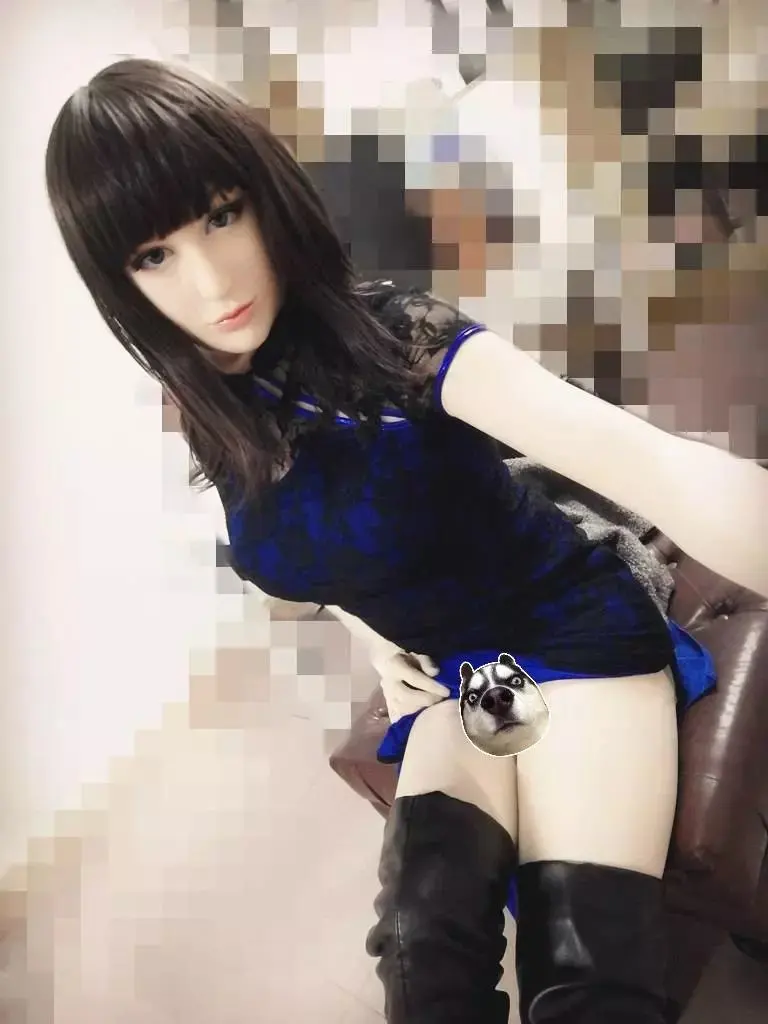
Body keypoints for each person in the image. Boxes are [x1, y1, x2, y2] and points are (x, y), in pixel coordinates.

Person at [44, 58, 767, 1024]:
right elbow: (311, 551)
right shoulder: (213, 407)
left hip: (573, 639)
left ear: (265, 195)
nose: (211, 280)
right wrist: (377, 643)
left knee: (587, 979)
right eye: (153, 255)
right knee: (425, 963)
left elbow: (649, 464)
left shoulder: (397, 341)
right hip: (467, 679)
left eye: (220, 215)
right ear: (120, 282)